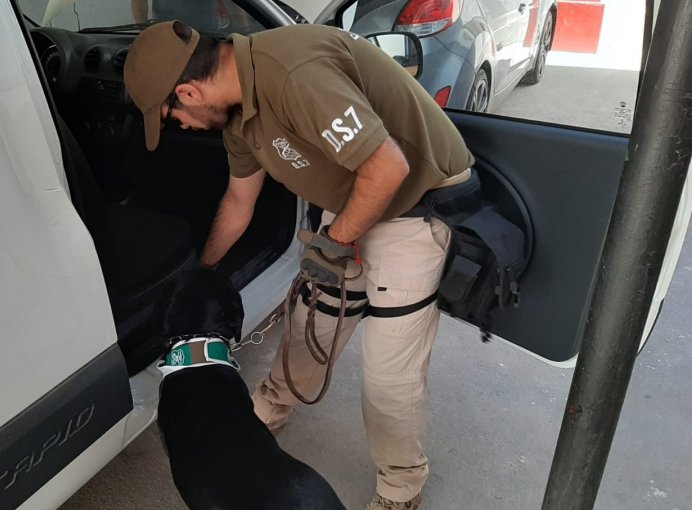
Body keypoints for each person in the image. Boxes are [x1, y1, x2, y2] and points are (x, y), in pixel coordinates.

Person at [124, 20, 474, 510]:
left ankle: (400, 486)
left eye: (173, 116)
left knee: (389, 373)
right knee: (310, 325)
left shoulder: (293, 74)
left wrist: (335, 241)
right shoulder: (240, 113)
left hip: (412, 205)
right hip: (355, 195)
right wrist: (199, 278)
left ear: (188, 91)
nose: (180, 126)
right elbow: (238, 202)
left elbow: (388, 167)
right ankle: (267, 409)